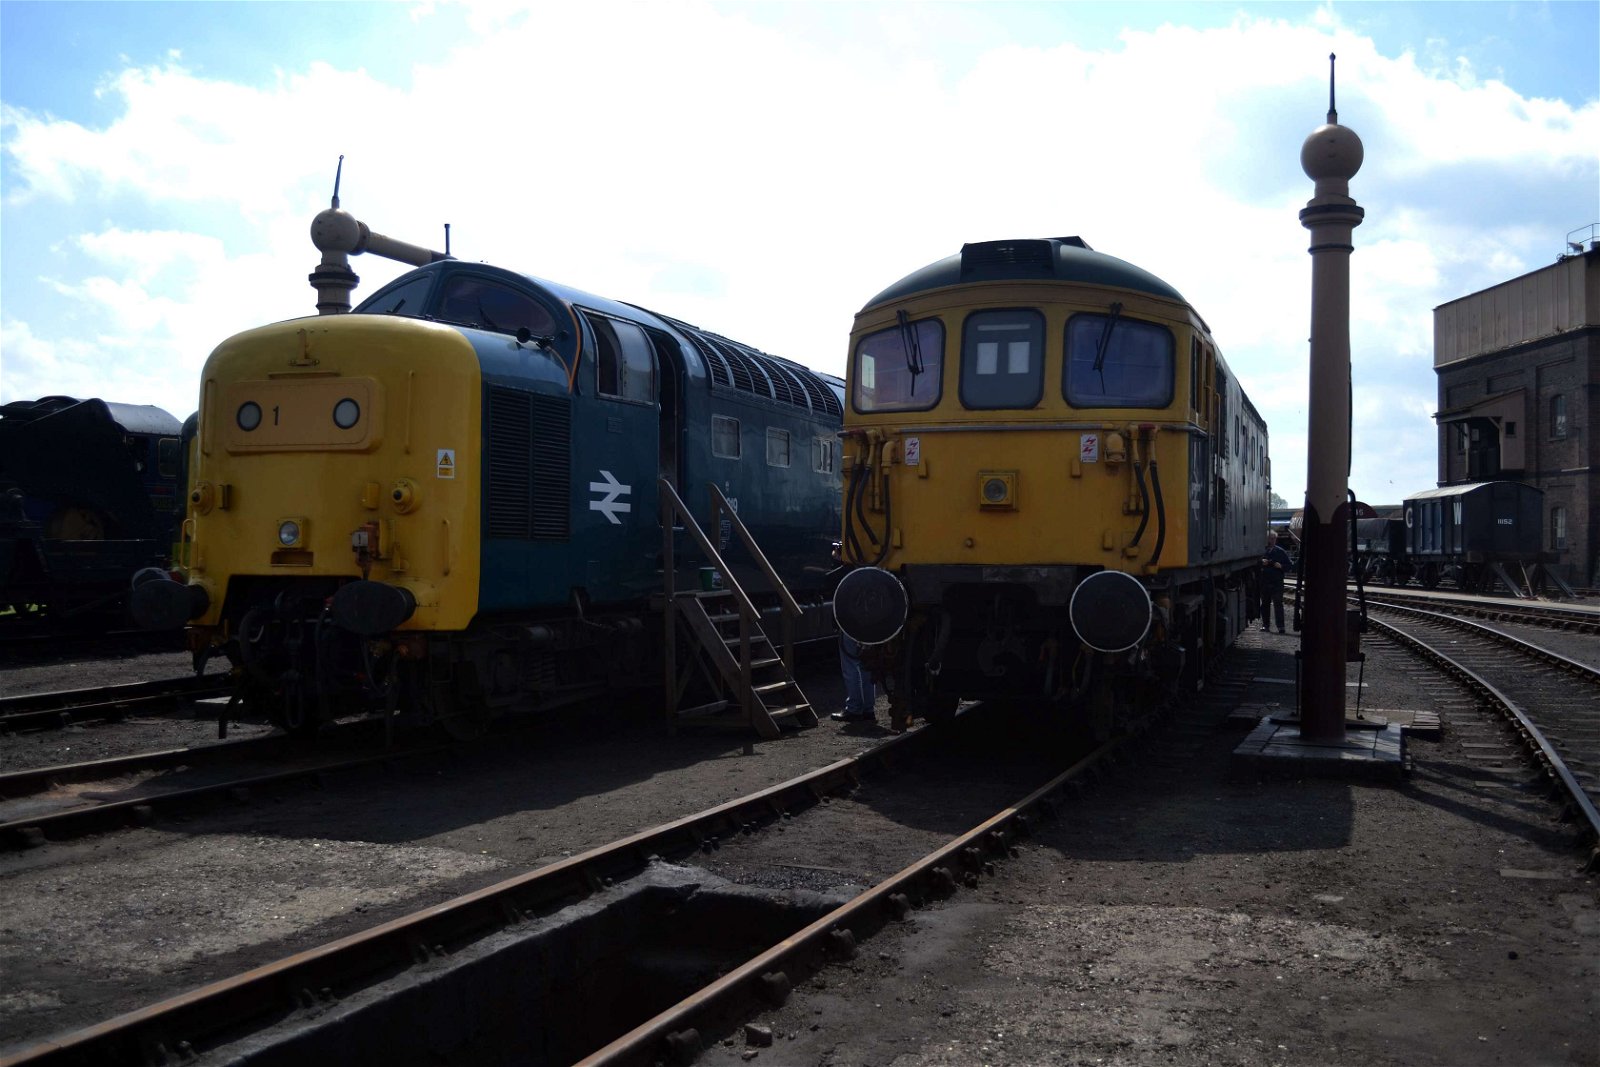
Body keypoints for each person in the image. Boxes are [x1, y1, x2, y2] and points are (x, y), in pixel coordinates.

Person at [824, 544, 876, 724]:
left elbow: (827, 581)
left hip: (849, 624)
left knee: (850, 666)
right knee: (867, 666)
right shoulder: (871, 571)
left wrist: (840, 561)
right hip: (869, 623)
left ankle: (854, 708)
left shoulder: (843, 574)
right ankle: (869, 709)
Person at [1259, 531, 1293, 633]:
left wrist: (1281, 566)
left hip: (1276, 582)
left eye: (1273, 538)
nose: (1272, 540)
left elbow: (1289, 566)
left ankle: (1281, 626)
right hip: (1264, 581)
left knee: (1278, 604)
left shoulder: (1280, 552)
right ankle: (1265, 625)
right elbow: (1253, 563)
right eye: (1270, 538)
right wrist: (1261, 562)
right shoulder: (1261, 551)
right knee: (1265, 604)